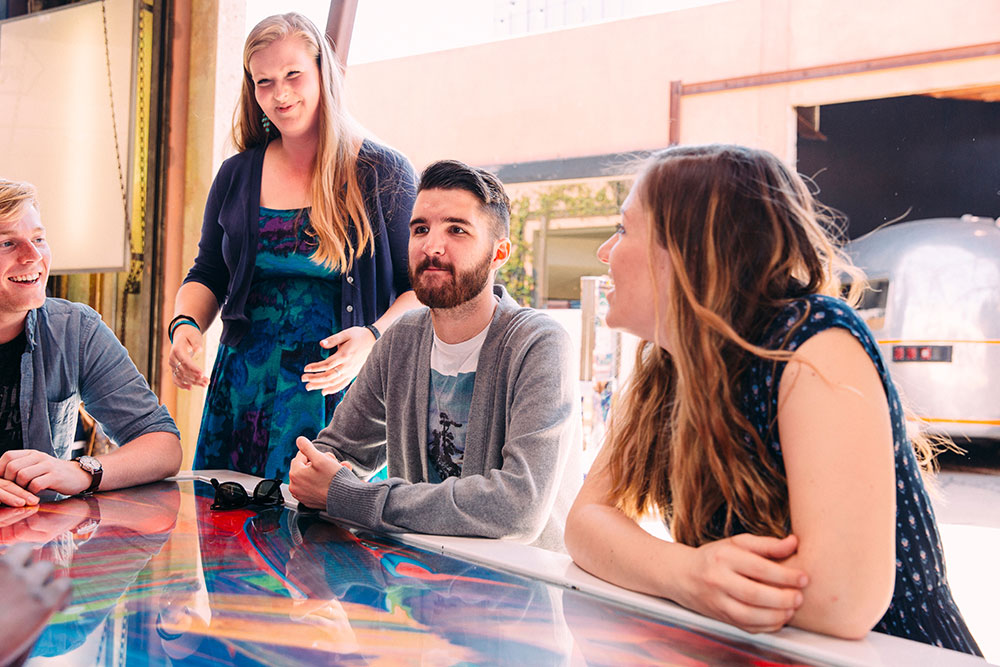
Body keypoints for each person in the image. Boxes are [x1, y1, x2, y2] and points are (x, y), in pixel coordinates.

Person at [564, 145, 982, 654]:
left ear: (692, 248)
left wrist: (677, 576)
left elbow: (841, 598)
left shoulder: (812, 340)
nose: (606, 252)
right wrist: (687, 573)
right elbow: (585, 524)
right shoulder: (667, 366)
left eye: (625, 229)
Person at [168, 13, 419, 481]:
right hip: (241, 393)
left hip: (340, 395)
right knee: (228, 538)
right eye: (264, 82)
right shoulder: (237, 174)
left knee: (327, 545)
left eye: (292, 75)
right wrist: (185, 326)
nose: (280, 95)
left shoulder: (383, 172)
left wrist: (373, 338)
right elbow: (207, 274)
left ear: (324, 72)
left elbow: (418, 289)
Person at [288, 160, 581, 551]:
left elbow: (517, 509)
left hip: (521, 594)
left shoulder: (539, 345)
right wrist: (312, 466)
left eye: (456, 230)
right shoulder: (399, 341)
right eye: (420, 229)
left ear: (500, 254)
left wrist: (353, 497)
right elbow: (338, 451)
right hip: (420, 587)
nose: (432, 246)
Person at [0, 179, 182, 506]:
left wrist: (84, 471)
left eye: (39, 239)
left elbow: (163, 447)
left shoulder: (76, 329)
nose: (33, 256)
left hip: (42, 547)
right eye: (7, 244)